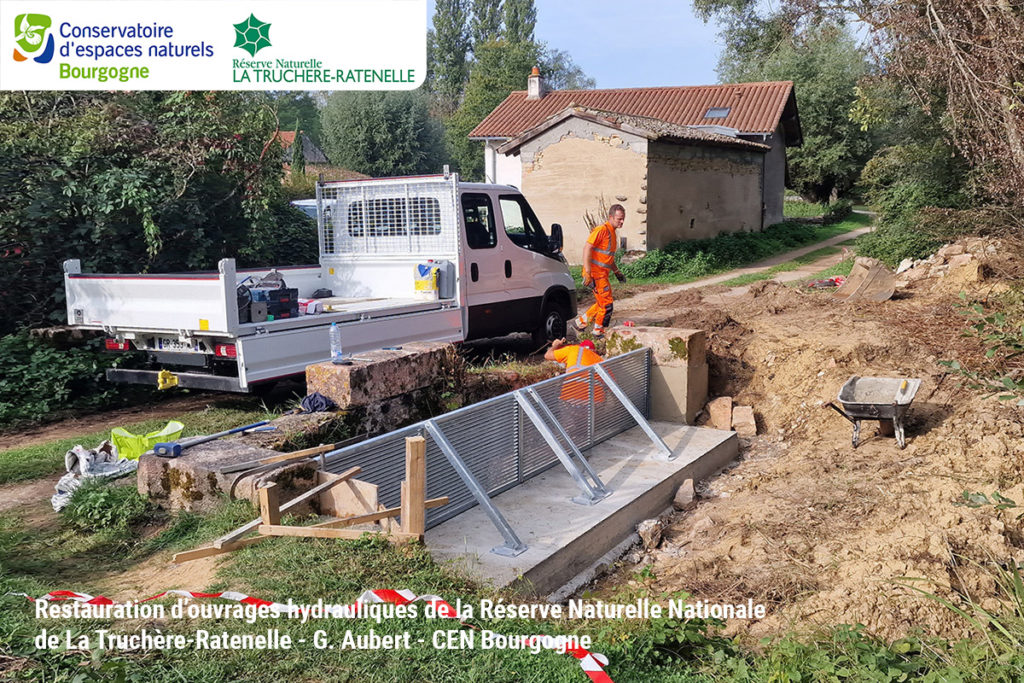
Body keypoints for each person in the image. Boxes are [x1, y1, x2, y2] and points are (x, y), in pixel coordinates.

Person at [574, 205, 627, 338]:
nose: (621, 222)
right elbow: (587, 248)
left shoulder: (612, 233)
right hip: (596, 275)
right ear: (611, 217)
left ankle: (581, 323)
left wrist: (617, 272)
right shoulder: (601, 230)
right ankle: (599, 331)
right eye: (619, 219)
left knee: (601, 303)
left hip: (602, 274)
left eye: (623, 219)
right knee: (607, 304)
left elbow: (608, 258)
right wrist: (587, 272)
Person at [545, 338, 604, 403]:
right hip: (595, 403)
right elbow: (612, 387)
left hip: (570, 400)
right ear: (594, 351)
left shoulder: (573, 349)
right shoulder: (601, 361)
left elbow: (547, 355)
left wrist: (556, 345)